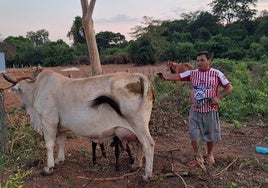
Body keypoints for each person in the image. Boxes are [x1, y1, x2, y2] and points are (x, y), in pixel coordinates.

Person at [157, 51, 233, 166]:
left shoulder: (216, 74)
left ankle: (210, 154)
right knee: (193, 134)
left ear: (209, 61)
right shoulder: (192, 73)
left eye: (202, 60)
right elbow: (177, 76)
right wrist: (164, 77)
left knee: (210, 133)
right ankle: (198, 156)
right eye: (197, 61)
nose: (199, 63)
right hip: (195, 109)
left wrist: (219, 97)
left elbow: (229, 87)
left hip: (210, 109)